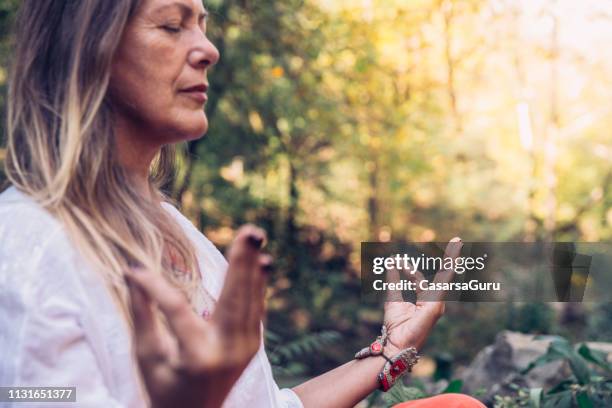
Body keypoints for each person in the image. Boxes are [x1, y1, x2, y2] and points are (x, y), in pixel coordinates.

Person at [0, 0, 485, 407]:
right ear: (86, 48)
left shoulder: (171, 226)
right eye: (172, 25)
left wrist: (392, 352)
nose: (208, 50)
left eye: (202, 26)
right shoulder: (26, 251)